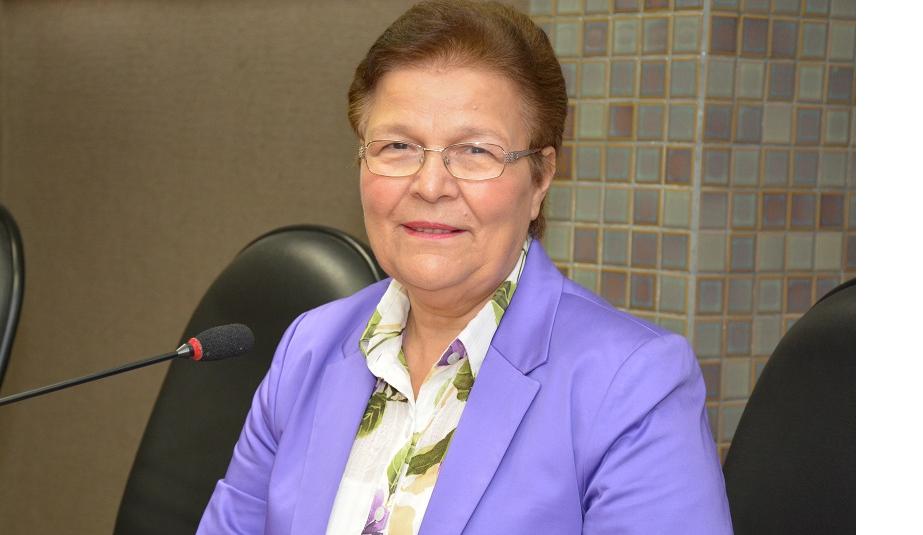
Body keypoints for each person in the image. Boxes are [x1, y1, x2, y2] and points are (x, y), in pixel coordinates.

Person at [198, 1, 732, 533]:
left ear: (540, 179)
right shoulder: (308, 348)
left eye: (476, 151)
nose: (430, 186)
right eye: (398, 146)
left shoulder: (631, 385)